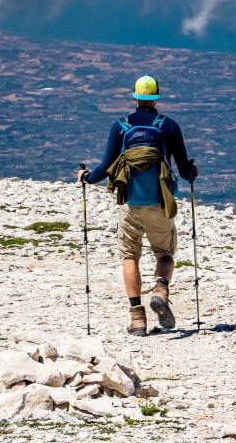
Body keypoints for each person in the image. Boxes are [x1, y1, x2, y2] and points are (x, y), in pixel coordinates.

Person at [78, 75, 199, 336]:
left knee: (130, 257)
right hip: (160, 202)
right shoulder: (168, 126)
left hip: (129, 203)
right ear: (156, 98)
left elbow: (105, 167)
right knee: (164, 254)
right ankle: (160, 289)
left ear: (134, 97)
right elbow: (183, 167)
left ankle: (137, 319)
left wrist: (86, 178)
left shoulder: (121, 126)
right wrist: (192, 174)